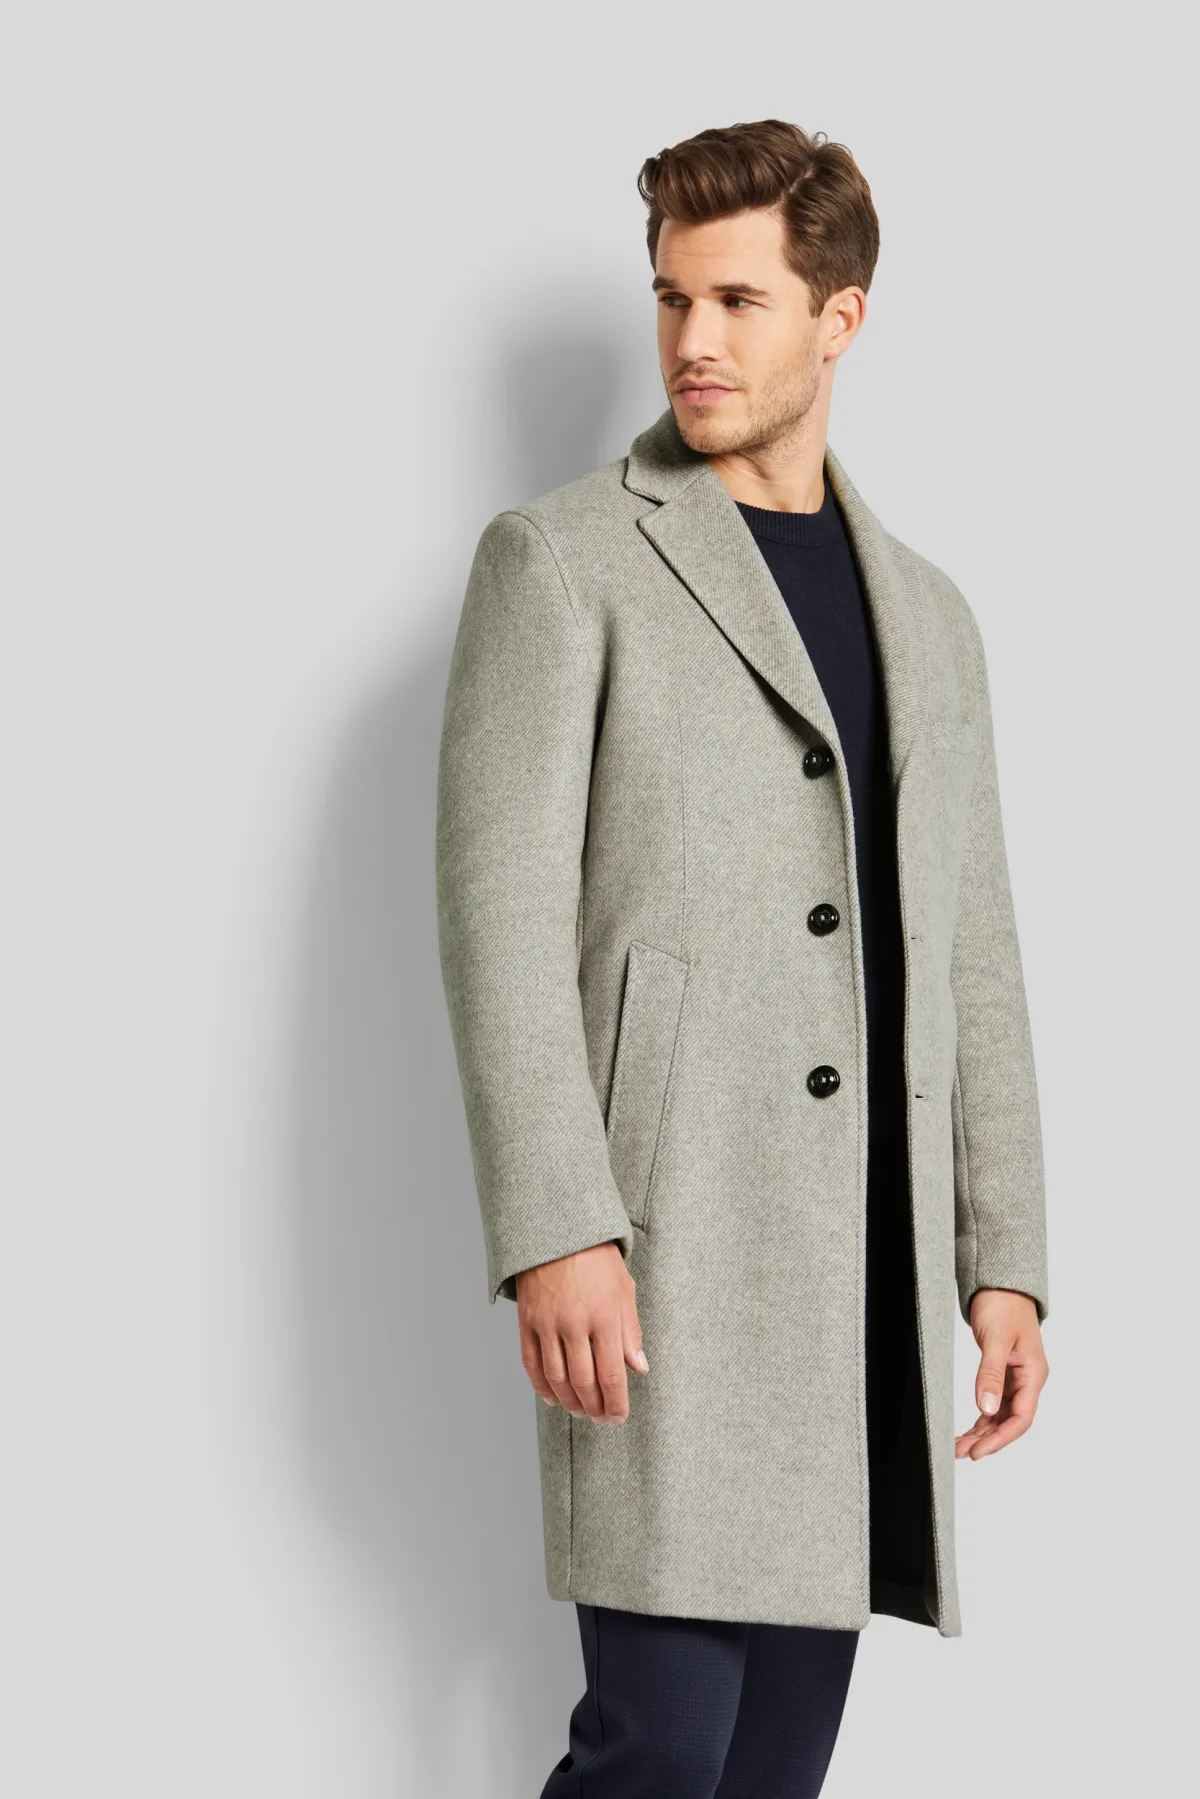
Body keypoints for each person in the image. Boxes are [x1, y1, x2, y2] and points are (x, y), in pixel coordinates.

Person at [434, 117, 1050, 1798]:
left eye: (737, 300)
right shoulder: (563, 561)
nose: (692, 340)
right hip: (670, 1242)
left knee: (775, 1770)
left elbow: (974, 947)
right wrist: (560, 1222)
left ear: (839, 317)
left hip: (862, 1268)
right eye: (669, 298)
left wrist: (1004, 1254)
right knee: (660, 1747)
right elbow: (498, 917)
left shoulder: (930, 615)